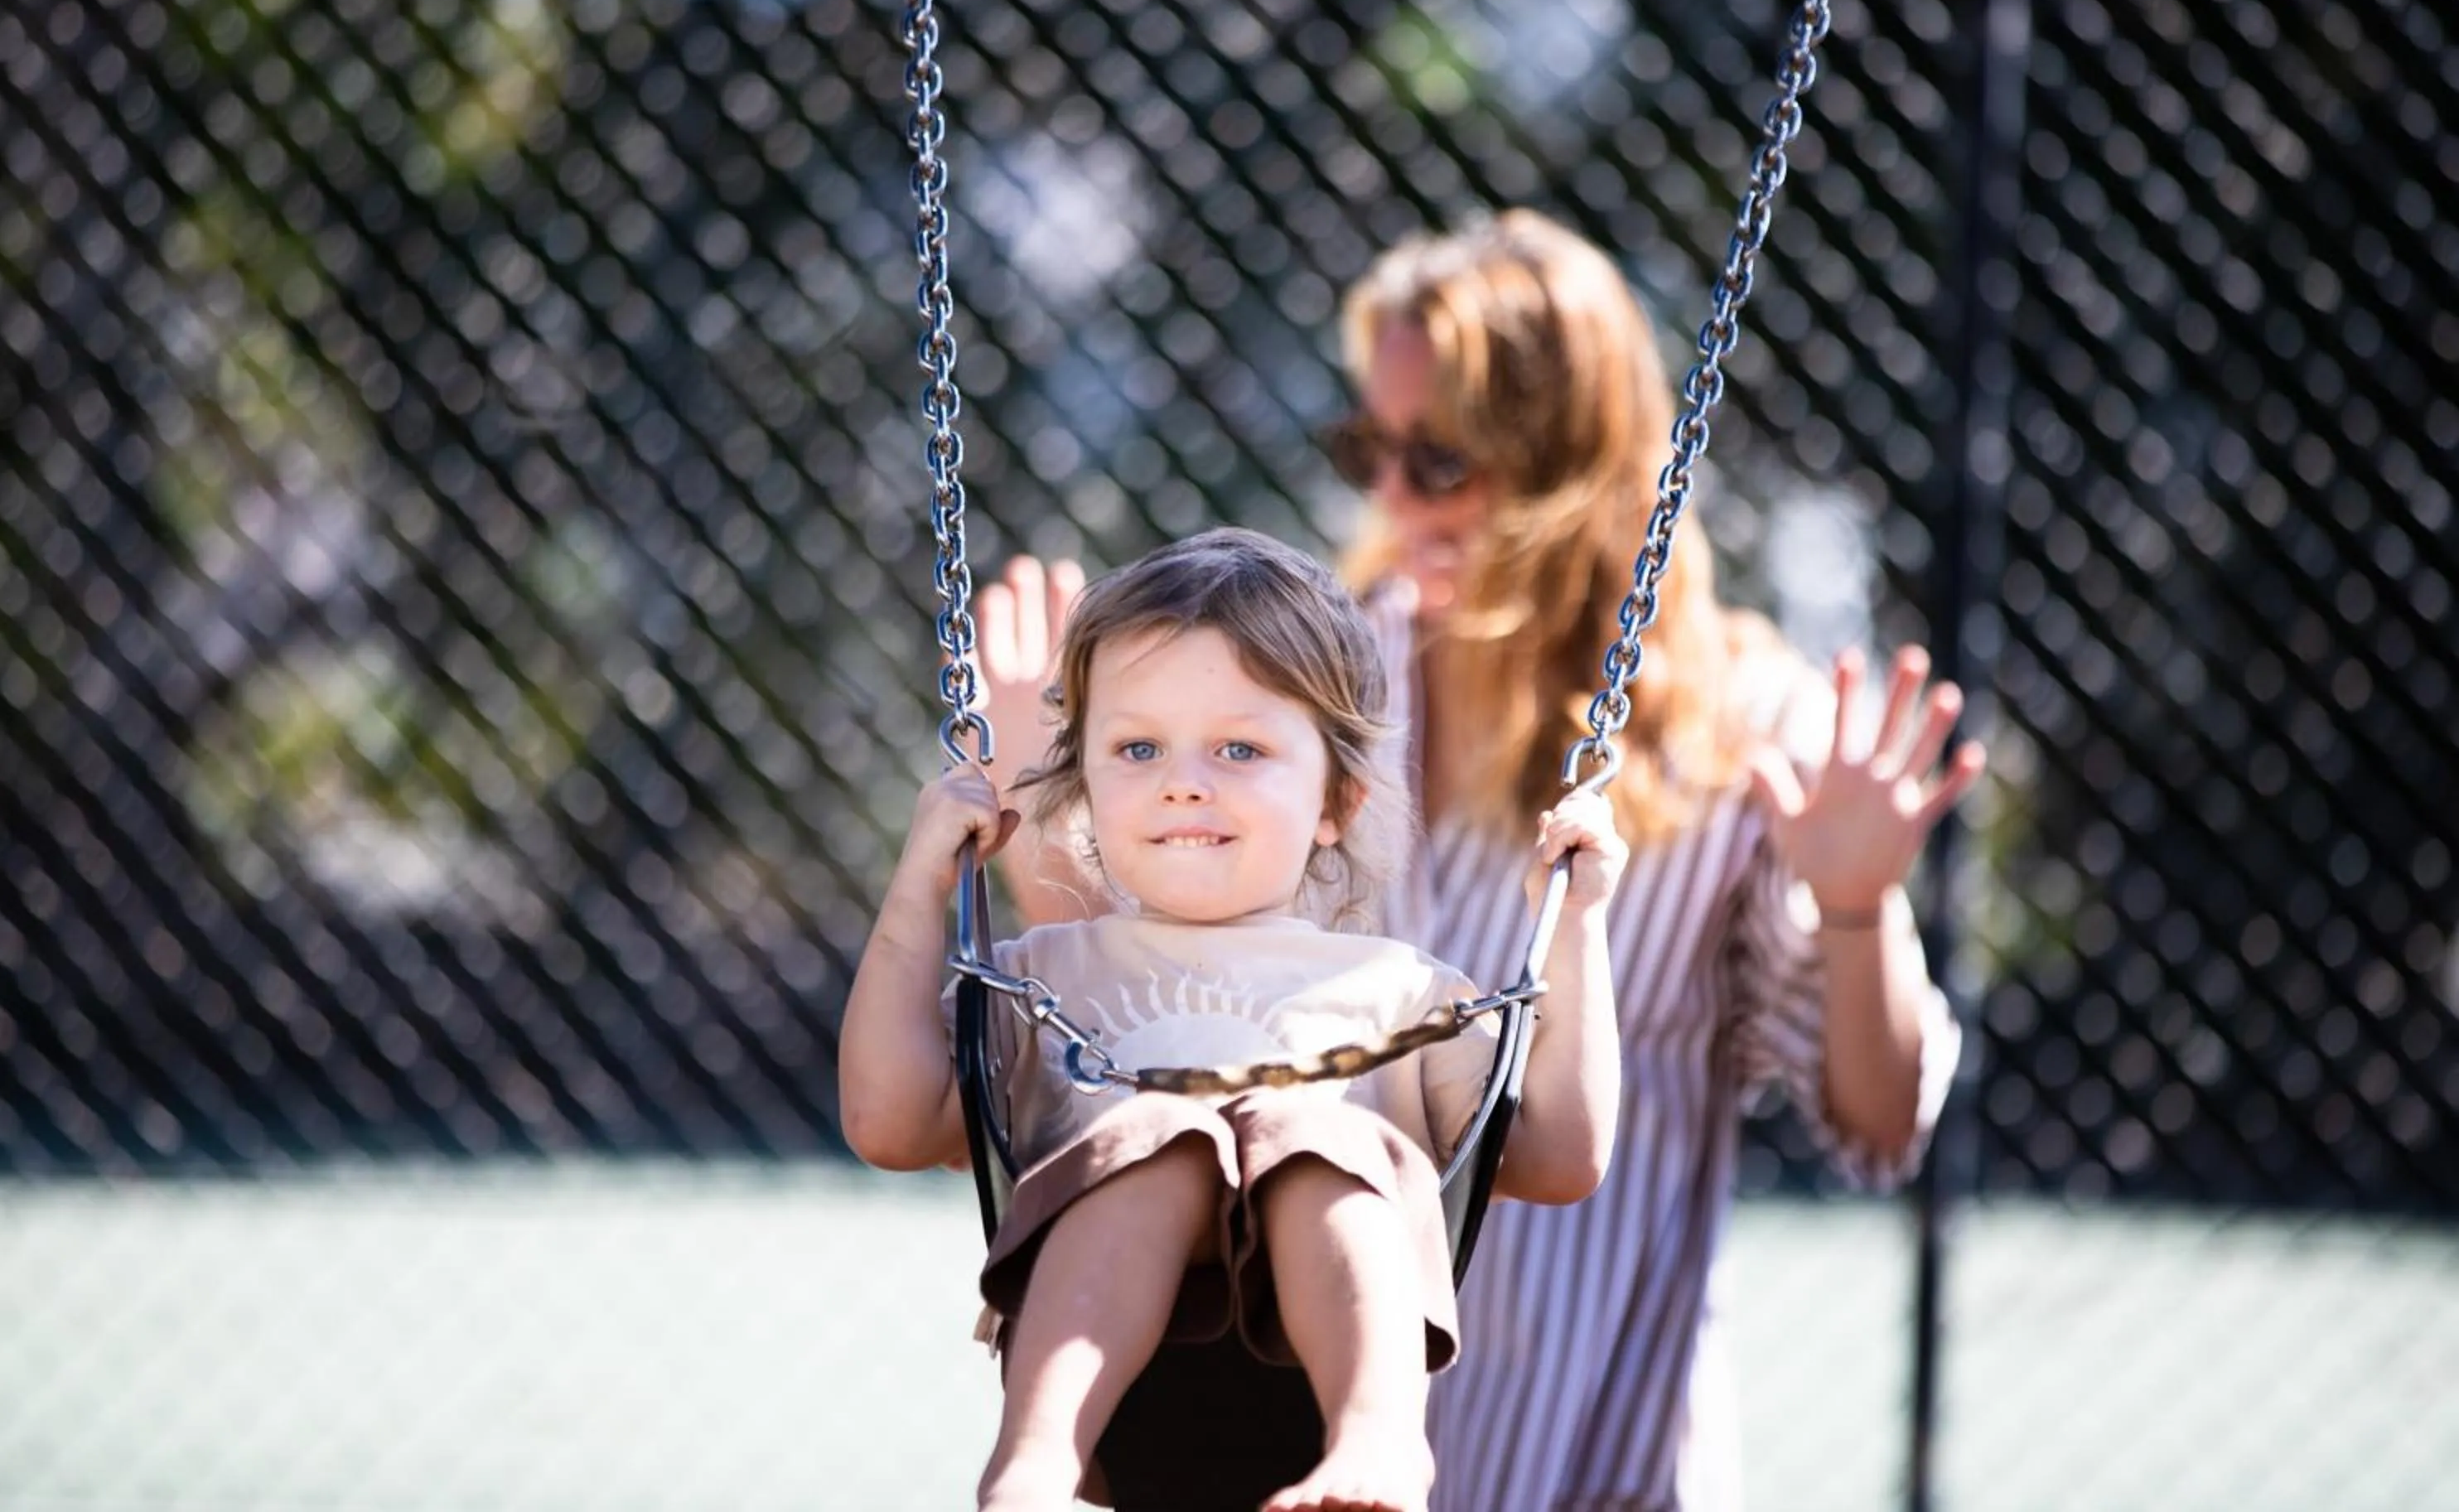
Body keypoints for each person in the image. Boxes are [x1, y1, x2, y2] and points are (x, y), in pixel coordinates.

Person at [972, 210, 1986, 1511]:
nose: (1390, 501)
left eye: (1436, 461)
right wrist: (1033, 814)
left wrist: (1859, 908)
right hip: (1284, 1442)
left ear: (1569, 466)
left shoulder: (1749, 733)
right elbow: (1130, 1006)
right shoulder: (1318, 688)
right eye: (1367, 452)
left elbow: (1880, 1121)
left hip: (1591, 1452)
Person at [840, 526, 1629, 1512]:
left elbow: (1560, 1155)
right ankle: (1031, 1461)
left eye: (1240, 747)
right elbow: (890, 1120)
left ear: (1338, 795)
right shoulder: (1045, 974)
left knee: (1326, 1138)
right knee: (1154, 1138)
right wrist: (922, 885)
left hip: (1306, 1374)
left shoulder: (1399, 987)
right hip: (1121, 1394)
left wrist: (1578, 924)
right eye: (1137, 747)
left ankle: (1380, 1441)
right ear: (1081, 777)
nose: (1183, 779)